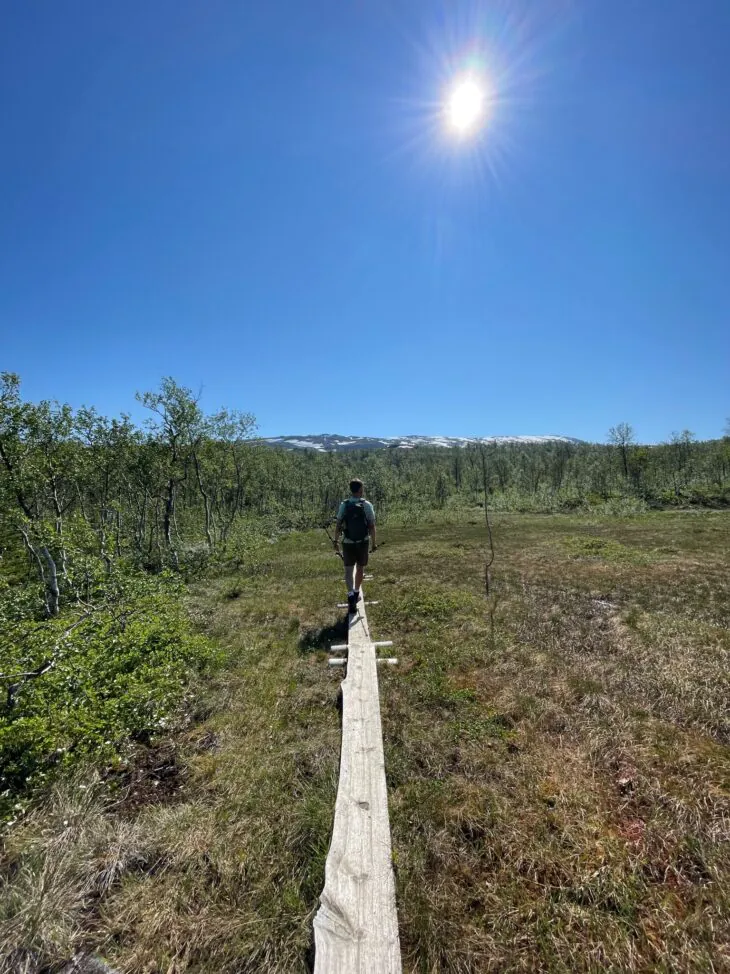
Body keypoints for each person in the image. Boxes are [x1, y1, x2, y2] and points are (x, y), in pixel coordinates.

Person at [334, 479, 376, 614]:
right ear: (360, 490)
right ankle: (357, 592)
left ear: (351, 490)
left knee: (348, 571)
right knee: (360, 568)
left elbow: (338, 524)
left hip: (347, 542)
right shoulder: (367, 505)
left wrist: (335, 541)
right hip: (363, 542)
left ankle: (351, 595)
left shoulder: (344, 505)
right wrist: (373, 543)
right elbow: (372, 526)